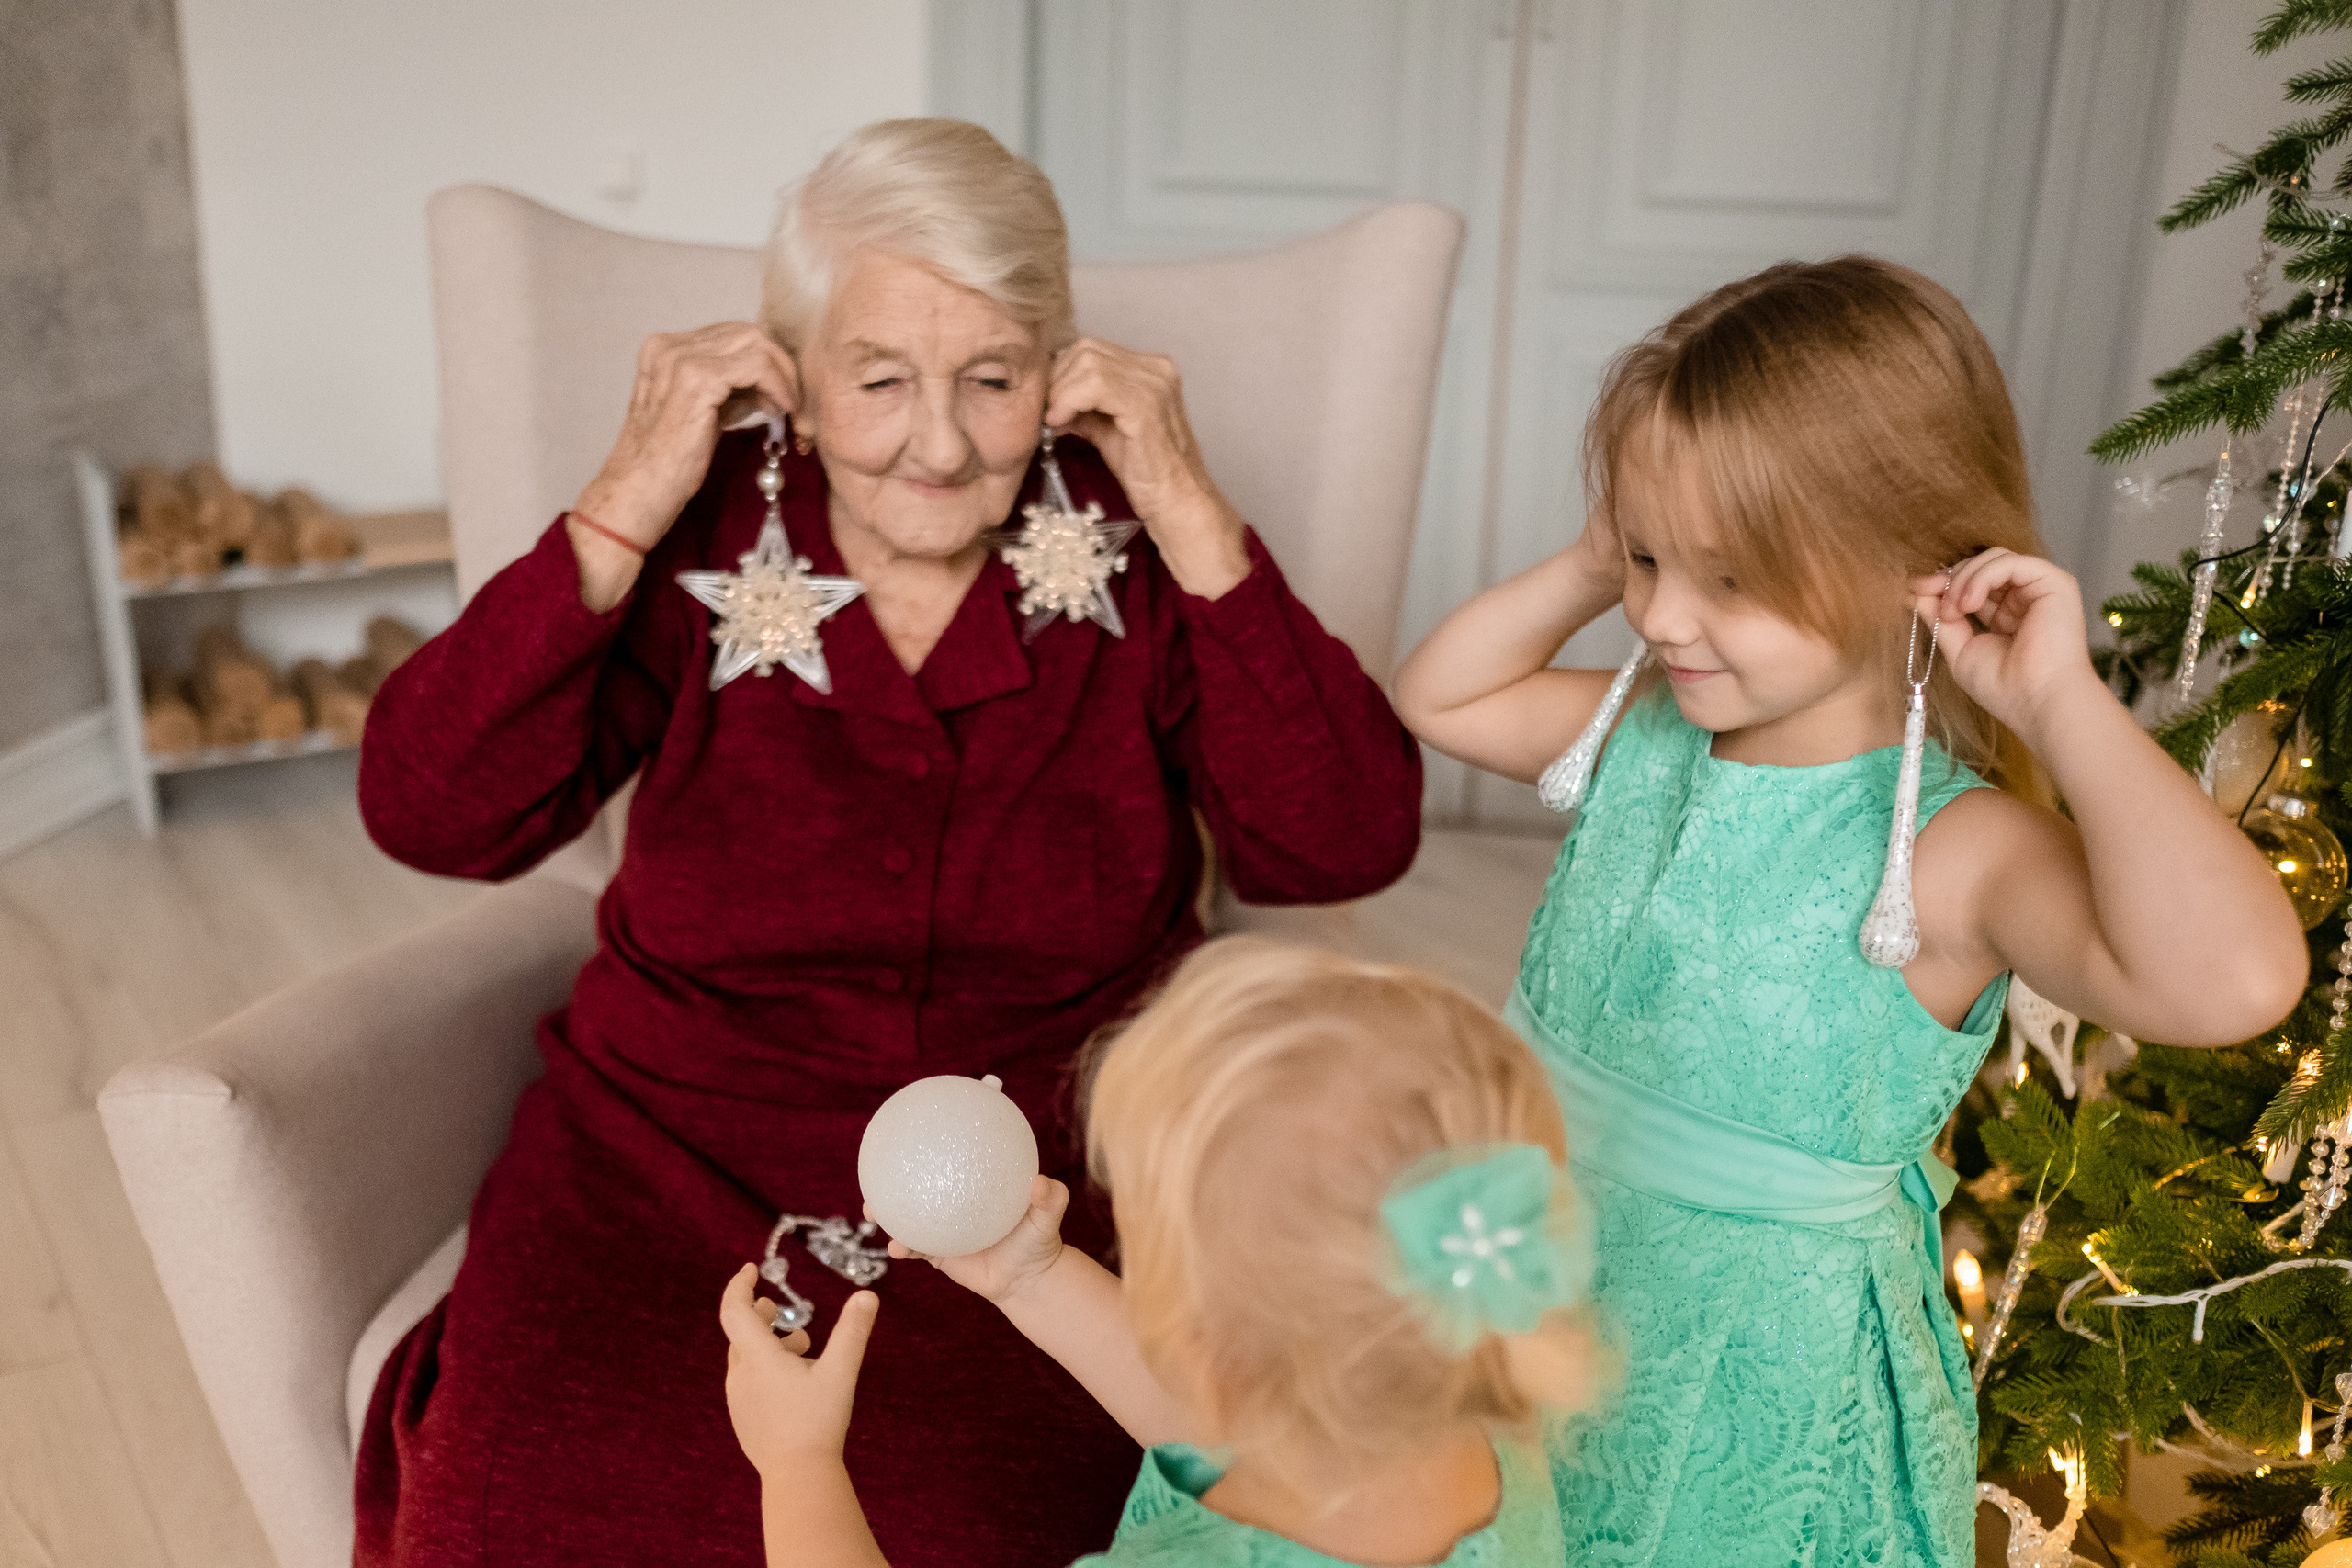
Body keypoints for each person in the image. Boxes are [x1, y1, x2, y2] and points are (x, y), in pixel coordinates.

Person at [353, 119, 1422, 1567]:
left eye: (993, 377)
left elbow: (1345, 841)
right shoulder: (700, 527)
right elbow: (434, 813)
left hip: (1043, 1177)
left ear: (1059, 371)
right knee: (515, 1510)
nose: (939, 439)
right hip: (666, 1144)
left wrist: (1186, 498)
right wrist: (620, 500)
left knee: (988, 1522)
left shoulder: (1127, 539)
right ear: (791, 376)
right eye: (879, 380)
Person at [1389, 256, 2308, 1566]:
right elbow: (1443, 694)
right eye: (1645, 559)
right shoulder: (1643, 723)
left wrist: (2062, 699)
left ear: (1914, 560)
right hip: (1526, 1270)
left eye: (1726, 577)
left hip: (1733, 1371)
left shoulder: (1956, 846)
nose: (1660, 614)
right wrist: (1609, 545)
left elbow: (2234, 980)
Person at [717, 938, 1601, 1567]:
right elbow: (1229, 1423)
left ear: (1206, 1346)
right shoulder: (1467, 1404)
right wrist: (1036, 1276)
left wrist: (798, 1463)